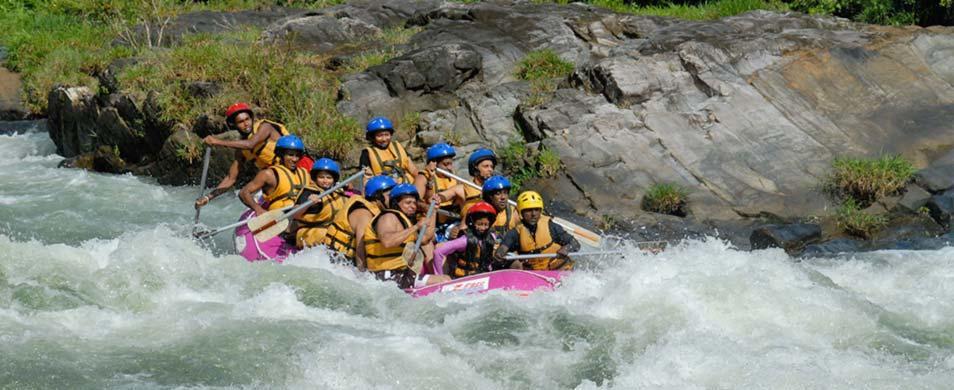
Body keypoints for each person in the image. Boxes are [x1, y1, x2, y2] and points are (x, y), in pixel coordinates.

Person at [194, 102, 291, 209]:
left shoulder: (265, 127)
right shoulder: (241, 151)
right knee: (244, 195)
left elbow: (251, 144)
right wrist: (208, 197)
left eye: (247, 119)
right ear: (234, 125)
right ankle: (261, 214)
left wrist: (217, 142)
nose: (246, 124)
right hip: (275, 179)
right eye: (241, 122)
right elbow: (230, 179)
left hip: (291, 171)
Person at [364, 184, 449, 289]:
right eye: (408, 203)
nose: (413, 206)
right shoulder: (388, 216)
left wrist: (433, 210)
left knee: (443, 279)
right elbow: (387, 241)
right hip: (385, 276)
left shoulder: (404, 222)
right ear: (396, 203)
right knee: (444, 280)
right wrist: (416, 226)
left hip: (400, 275)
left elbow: (426, 239)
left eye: (414, 203)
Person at [493, 191, 580, 271]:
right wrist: (500, 254)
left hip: (559, 268)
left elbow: (575, 243)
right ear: (521, 212)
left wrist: (567, 248)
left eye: (537, 210)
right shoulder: (515, 233)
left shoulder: (551, 226)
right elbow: (503, 248)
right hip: (535, 275)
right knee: (514, 265)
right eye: (529, 210)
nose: (533, 214)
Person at [323, 175, 395, 270]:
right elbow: (360, 252)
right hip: (338, 264)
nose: (395, 199)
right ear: (378, 196)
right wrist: (363, 277)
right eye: (390, 195)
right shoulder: (364, 215)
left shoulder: (374, 211)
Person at [237, 135, 310, 218]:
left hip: (304, 216)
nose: (295, 159)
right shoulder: (268, 174)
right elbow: (243, 193)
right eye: (290, 155)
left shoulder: (305, 173)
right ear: (281, 155)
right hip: (281, 218)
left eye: (297, 156)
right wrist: (258, 209)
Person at [433, 201, 499, 278]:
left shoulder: (492, 237)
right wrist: (439, 277)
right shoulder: (464, 241)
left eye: (486, 225)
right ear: (472, 223)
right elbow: (438, 252)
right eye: (479, 224)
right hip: (464, 278)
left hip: (483, 277)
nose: (483, 228)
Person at [293, 158, 348, 250]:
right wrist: (307, 203)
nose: (325, 181)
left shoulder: (338, 193)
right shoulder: (309, 192)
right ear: (315, 178)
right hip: (310, 233)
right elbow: (295, 214)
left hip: (330, 233)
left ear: (334, 179)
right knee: (326, 235)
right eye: (321, 177)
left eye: (329, 178)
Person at [416, 143, 464, 241]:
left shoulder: (452, 176)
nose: (450, 168)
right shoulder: (423, 177)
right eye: (446, 164)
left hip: (453, 220)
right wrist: (427, 207)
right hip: (433, 221)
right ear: (434, 164)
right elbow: (415, 201)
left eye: (451, 163)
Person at [359, 116, 418, 185]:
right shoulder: (366, 153)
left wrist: (420, 178)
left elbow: (413, 169)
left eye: (387, 135)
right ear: (372, 137)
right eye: (379, 136)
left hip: (408, 186)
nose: (384, 139)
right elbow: (367, 180)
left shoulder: (398, 146)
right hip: (384, 189)